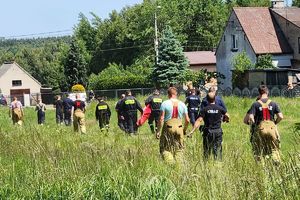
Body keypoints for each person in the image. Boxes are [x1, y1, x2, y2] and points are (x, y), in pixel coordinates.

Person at [247, 85, 283, 164]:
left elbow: (251, 117)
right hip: (272, 129)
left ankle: (260, 166)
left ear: (259, 93)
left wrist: (255, 125)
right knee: (274, 149)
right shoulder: (274, 103)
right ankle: (276, 163)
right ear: (267, 92)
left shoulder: (255, 104)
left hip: (260, 129)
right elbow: (280, 116)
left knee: (258, 150)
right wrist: (274, 123)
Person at [189, 92, 229, 161]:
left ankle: (206, 163)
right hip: (218, 132)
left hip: (208, 132)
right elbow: (227, 115)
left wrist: (192, 131)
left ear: (207, 99)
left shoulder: (204, 109)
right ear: (215, 99)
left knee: (207, 150)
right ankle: (218, 164)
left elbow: (199, 120)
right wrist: (226, 119)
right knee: (218, 150)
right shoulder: (220, 108)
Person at [156, 87, 189, 164]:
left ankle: (170, 163)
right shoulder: (182, 104)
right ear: (176, 94)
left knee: (165, 148)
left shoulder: (165, 103)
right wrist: (184, 130)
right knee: (179, 148)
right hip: (179, 128)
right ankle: (179, 165)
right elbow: (187, 120)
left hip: (168, 127)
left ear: (168, 94)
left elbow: (161, 118)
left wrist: (158, 131)